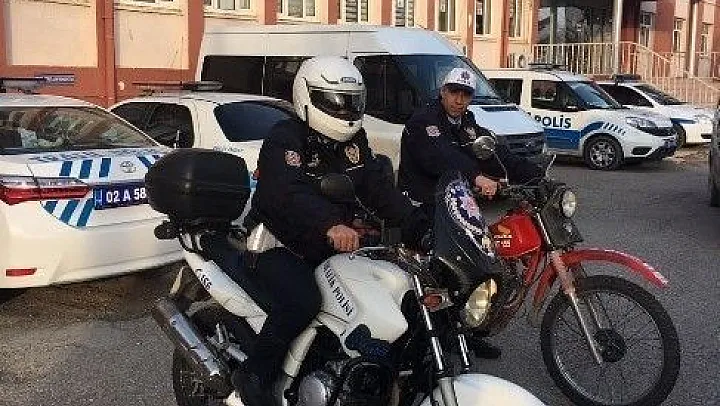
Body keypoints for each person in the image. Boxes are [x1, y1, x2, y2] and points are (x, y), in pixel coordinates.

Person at [232, 56, 429, 406]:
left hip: (327, 245)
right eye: (336, 103)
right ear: (307, 97)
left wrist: (420, 225)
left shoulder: (354, 141)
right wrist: (330, 223)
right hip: (278, 244)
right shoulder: (286, 138)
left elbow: (378, 189)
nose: (345, 112)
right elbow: (287, 193)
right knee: (302, 300)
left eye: (352, 103)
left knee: (387, 293)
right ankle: (254, 375)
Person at [398, 67, 544, 359]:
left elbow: (493, 152)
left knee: (481, 263)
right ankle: (434, 336)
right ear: (443, 92)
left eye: (465, 94)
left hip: (454, 203)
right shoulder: (424, 121)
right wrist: (476, 177)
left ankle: (466, 330)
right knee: (447, 272)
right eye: (454, 92)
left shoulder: (467, 122)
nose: (459, 100)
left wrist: (536, 176)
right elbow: (441, 156)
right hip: (421, 204)